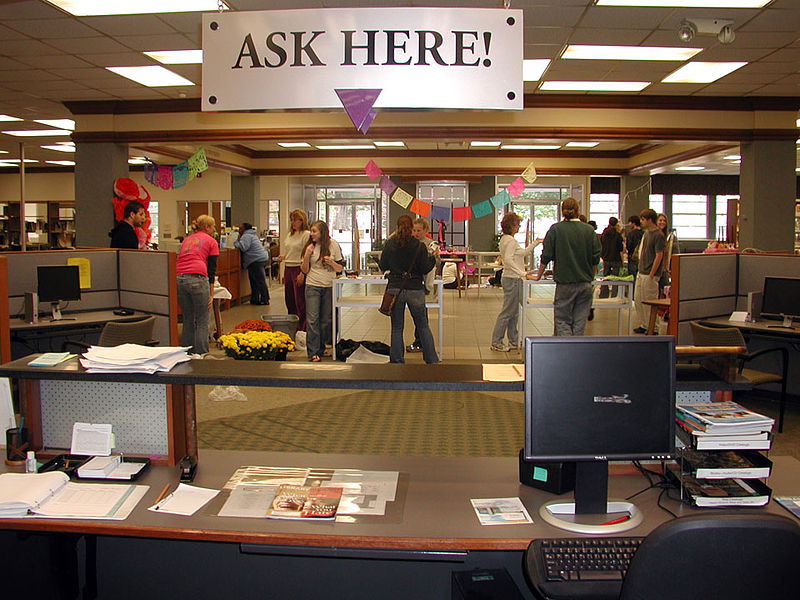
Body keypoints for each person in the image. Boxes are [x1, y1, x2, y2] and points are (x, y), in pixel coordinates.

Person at [530, 198, 600, 336]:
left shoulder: (556, 229)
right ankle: (576, 352)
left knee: (562, 321)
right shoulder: (589, 231)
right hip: (585, 284)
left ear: (562, 211)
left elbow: (546, 255)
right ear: (578, 211)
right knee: (579, 323)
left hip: (565, 284)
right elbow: (595, 257)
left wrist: (539, 274)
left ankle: (565, 351)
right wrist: (591, 275)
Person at [379, 214, 438, 364]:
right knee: (422, 325)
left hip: (395, 289)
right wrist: (433, 258)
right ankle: (431, 360)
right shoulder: (419, 246)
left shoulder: (390, 244)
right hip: (415, 289)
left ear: (397, 227)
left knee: (397, 327)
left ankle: (397, 361)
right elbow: (425, 268)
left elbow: (383, 265)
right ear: (411, 227)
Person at [490, 212, 542, 352]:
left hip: (513, 278)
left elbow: (523, 253)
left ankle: (513, 340)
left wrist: (536, 242)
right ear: (512, 225)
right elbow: (508, 259)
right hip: (512, 279)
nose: (519, 226)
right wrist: (523, 273)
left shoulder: (506, 239)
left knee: (513, 312)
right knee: (508, 312)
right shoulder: (510, 241)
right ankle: (496, 341)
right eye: (518, 224)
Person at [176, 215, 219, 356]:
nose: (214, 229)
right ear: (206, 227)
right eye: (213, 226)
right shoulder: (211, 241)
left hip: (179, 278)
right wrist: (211, 294)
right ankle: (202, 355)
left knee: (188, 318)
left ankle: (186, 354)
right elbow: (211, 270)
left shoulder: (187, 239)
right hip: (198, 277)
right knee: (202, 319)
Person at [301, 220, 343, 362]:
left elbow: (340, 269)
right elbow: (305, 270)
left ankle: (322, 347)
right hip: (312, 285)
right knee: (312, 319)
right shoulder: (309, 247)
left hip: (329, 286)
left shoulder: (333, 245)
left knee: (326, 320)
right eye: (311, 231)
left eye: (314, 231)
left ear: (322, 232)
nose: (311, 234)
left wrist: (331, 263)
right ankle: (312, 352)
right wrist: (307, 255)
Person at [407, 218, 439, 353]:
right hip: (414, 284)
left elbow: (436, 263)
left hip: (424, 285)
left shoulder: (430, 244)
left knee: (421, 316)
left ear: (426, 231)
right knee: (418, 316)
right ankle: (421, 342)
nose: (416, 233)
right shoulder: (410, 243)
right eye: (414, 230)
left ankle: (421, 343)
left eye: (419, 230)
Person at [633, 208, 665, 334]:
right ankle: (645, 324)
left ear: (650, 220)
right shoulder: (646, 234)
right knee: (638, 299)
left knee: (649, 300)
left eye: (643, 219)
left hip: (650, 274)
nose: (641, 222)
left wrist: (652, 273)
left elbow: (659, 255)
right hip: (641, 272)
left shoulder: (658, 235)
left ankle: (654, 327)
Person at [278, 209, 310, 331]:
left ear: (302, 221)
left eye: (296, 220)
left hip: (298, 268)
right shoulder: (290, 234)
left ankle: (302, 328)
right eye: (292, 220)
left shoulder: (306, 234)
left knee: (300, 301)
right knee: (289, 299)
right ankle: (292, 325)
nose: (293, 223)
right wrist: (284, 257)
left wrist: (302, 273)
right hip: (288, 267)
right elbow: (290, 251)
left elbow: (305, 254)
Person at [234, 222, 270, 305]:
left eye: (241, 229)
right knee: (254, 280)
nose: (239, 231)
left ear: (245, 229)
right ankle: (255, 299)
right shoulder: (253, 235)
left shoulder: (246, 236)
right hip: (260, 258)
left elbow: (243, 247)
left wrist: (235, 243)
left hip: (256, 260)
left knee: (259, 281)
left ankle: (265, 299)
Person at [598, 217, 623, 298]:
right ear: (616, 224)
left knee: (605, 278)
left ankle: (603, 295)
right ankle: (614, 296)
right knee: (615, 278)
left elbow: (600, 245)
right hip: (616, 259)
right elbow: (620, 249)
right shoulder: (617, 235)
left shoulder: (604, 234)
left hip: (606, 258)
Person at [656, 213, 679, 294]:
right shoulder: (653, 236)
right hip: (655, 270)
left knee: (667, 291)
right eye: (660, 220)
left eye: (664, 221)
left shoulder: (669, 238)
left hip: (664, 269)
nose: (662, 222)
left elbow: (674, 254)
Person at [626, 215, 643, 291]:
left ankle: (632, 296)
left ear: (633, 223)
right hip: (642, 259)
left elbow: (628, 246)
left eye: (629, 222)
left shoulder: (631, 234)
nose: (629, 224)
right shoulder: (644, 233)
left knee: (632, 278)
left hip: (632, 259)